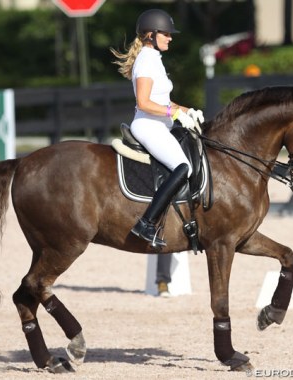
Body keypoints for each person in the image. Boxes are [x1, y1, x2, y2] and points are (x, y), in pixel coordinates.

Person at [111, 9, 204, 248]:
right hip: (149, 127)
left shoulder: (154, 59)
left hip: (161, 125)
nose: (170, 37)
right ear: (151, 35)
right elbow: (143, 103)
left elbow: (164, 100)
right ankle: (147, 223)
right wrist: (172, 113)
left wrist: (186, 111)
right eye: (166, 33)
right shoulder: (145, 61)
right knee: (183, 167)